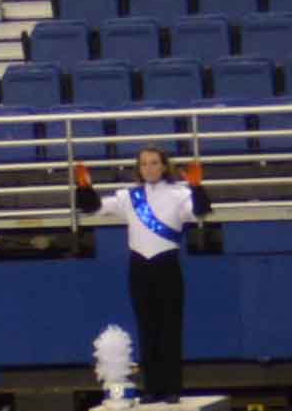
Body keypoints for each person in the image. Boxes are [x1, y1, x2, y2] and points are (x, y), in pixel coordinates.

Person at [80, 141, 206, 394]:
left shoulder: (179, 194)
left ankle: (172, 389)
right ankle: (152, 388)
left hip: (167, 265)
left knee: (170, 329)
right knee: (146, 328)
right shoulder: (129, 197)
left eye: (154, 163)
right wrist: (84, 187)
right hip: (139, 267)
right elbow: (94, 208)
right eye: (144, 164)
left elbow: (200, 212)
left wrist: (196, 187)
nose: (149, 168)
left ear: (163, 166)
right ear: (138, 168)